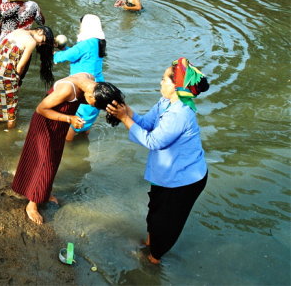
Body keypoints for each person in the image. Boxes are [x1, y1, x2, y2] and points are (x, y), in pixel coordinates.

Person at [106, 58, 210, 264]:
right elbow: (146, 122)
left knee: (166, 223)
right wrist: (127, 111)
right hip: (167, 173)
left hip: (185, 179)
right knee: (154, 212)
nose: (160, 82)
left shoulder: (180, 113)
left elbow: (153, 141)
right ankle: (147, 245)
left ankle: (153, 260)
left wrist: (124, 119)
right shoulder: (166, 102)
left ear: (177, 86)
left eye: (164, 79)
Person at [12, 77, 125, 224]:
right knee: (44, 162)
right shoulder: (68, 89)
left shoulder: (90, 81)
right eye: (95, 105)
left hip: (59, 125)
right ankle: (32, 205)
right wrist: (69, 119)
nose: (93, 107)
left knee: (54, 160)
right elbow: (40, 109)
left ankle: (43, 193)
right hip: (45, 124)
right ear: (91, 96)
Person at [0, 26, 55, 129]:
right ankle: (10, 136)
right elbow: (20, 66)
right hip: (5, 76)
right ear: (40, 31)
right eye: (43, 41)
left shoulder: (19, 30)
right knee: (11, 109)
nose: (41, 44)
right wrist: (17, 79)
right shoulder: (31, 42)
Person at [53, 14, 107, 141]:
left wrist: (53, 54)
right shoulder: (98, 42)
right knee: (88, 116)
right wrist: (64, 49)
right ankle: (84, 143)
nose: (80, 28)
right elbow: (78, 54)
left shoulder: (86, 43)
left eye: (81, 25)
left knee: (74, 121)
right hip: (97, 84)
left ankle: (68, 151)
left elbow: (68, 56)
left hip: (84, 86)